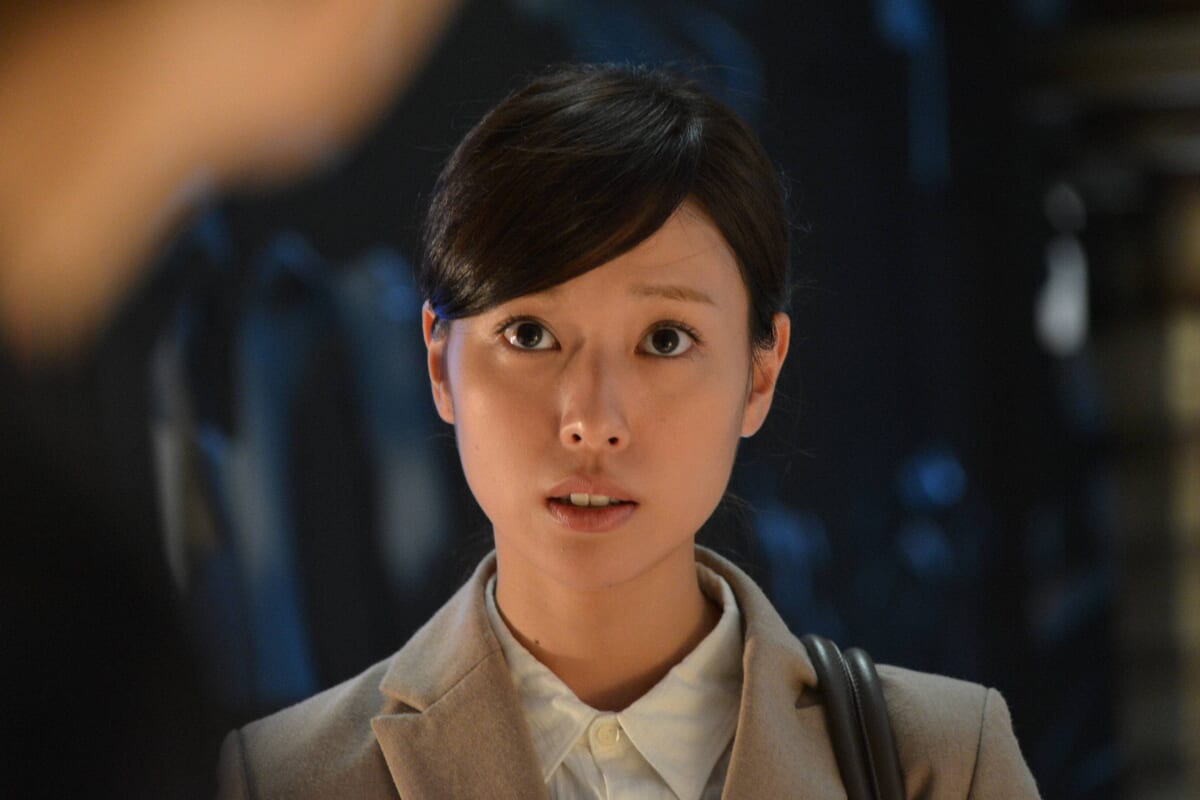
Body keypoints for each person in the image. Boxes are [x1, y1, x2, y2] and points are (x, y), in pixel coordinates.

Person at [216, 64, 1041, 799]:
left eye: (665, 340)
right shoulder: (284, 781)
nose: (591, 421)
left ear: (760, 373)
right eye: (529, 334)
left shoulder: (940, 766)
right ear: (440, 363)